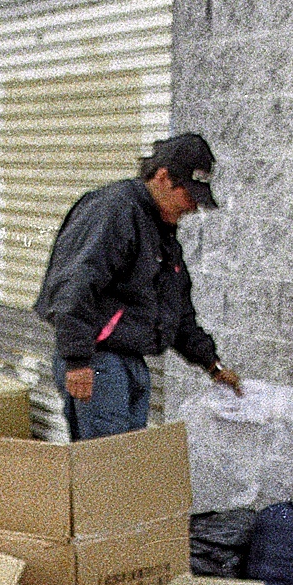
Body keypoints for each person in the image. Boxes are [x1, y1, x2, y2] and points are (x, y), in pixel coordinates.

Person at [34, 131, 242, 440]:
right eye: (189, 195)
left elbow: (178, 312)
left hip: (129, 362)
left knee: (128, 467)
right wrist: (78, 361)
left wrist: (212, 364)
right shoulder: (114, 210)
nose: (193, 207)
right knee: (104, 470)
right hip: (97, 363)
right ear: (162, 177)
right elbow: (73, 286)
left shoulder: (160, 230)